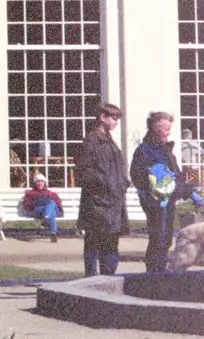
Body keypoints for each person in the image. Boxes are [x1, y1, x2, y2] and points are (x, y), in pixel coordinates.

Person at [129, 110, 204, 273]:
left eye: (169, 128)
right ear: (154, 129)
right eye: (165, 129)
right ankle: (154, 277)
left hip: (168, 202)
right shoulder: (144, 151)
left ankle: (159, 275)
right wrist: (158, 185)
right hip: (155, 204)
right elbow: (143, 178)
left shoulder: (165, 150)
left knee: (165, 240)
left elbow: (176, 177)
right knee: (158, 240)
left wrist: (189, 191)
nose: (168, 132)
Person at [74, 102, 129, 276]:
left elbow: (117, 169)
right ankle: (91, 281)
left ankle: (108, 279)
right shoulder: (91, 140)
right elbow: (83, 170)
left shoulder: (110, 142)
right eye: (113, 118)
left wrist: (122, 183)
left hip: (113, 202)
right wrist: (105, 183)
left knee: (111, 244)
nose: (116, 122)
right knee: (94, 243)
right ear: (102, 117)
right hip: (98, 203)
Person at [22, 173, 63, 243]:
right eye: (38, 181)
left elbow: (58, 201)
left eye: (42, 181)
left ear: (44, 183)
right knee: (52, 211)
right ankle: (52, 232)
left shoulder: (50, 193)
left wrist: (57, 207)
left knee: (52, 205)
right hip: (37, 211)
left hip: (46, 211)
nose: (40, 183)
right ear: (35, 183)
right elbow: (26, 203)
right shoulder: (30, 193)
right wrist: (34, 204)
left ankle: (46, 218)